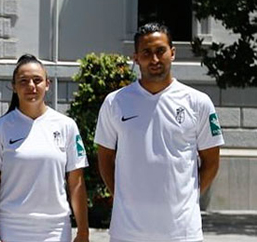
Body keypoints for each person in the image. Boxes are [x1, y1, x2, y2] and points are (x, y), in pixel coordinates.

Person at [95, 22, 224, 242]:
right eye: (146, 52)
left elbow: (211, 162)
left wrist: (188, 197)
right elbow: (105, 158)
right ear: (136, 57)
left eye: (160, 51)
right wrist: (123, 198)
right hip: (128, 232)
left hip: (182, 233)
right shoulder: (115, 102)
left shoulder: (198, 102)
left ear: (172, 53)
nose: (154, 59)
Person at [0, 54, 89, 242]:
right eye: (23, 81)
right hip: (10, 229)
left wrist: (83, 232)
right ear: (14, 86)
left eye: (37, 80)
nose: (31, 86)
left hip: (56, 229)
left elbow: (76, 184)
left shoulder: (66, 126)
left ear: (47, 84)